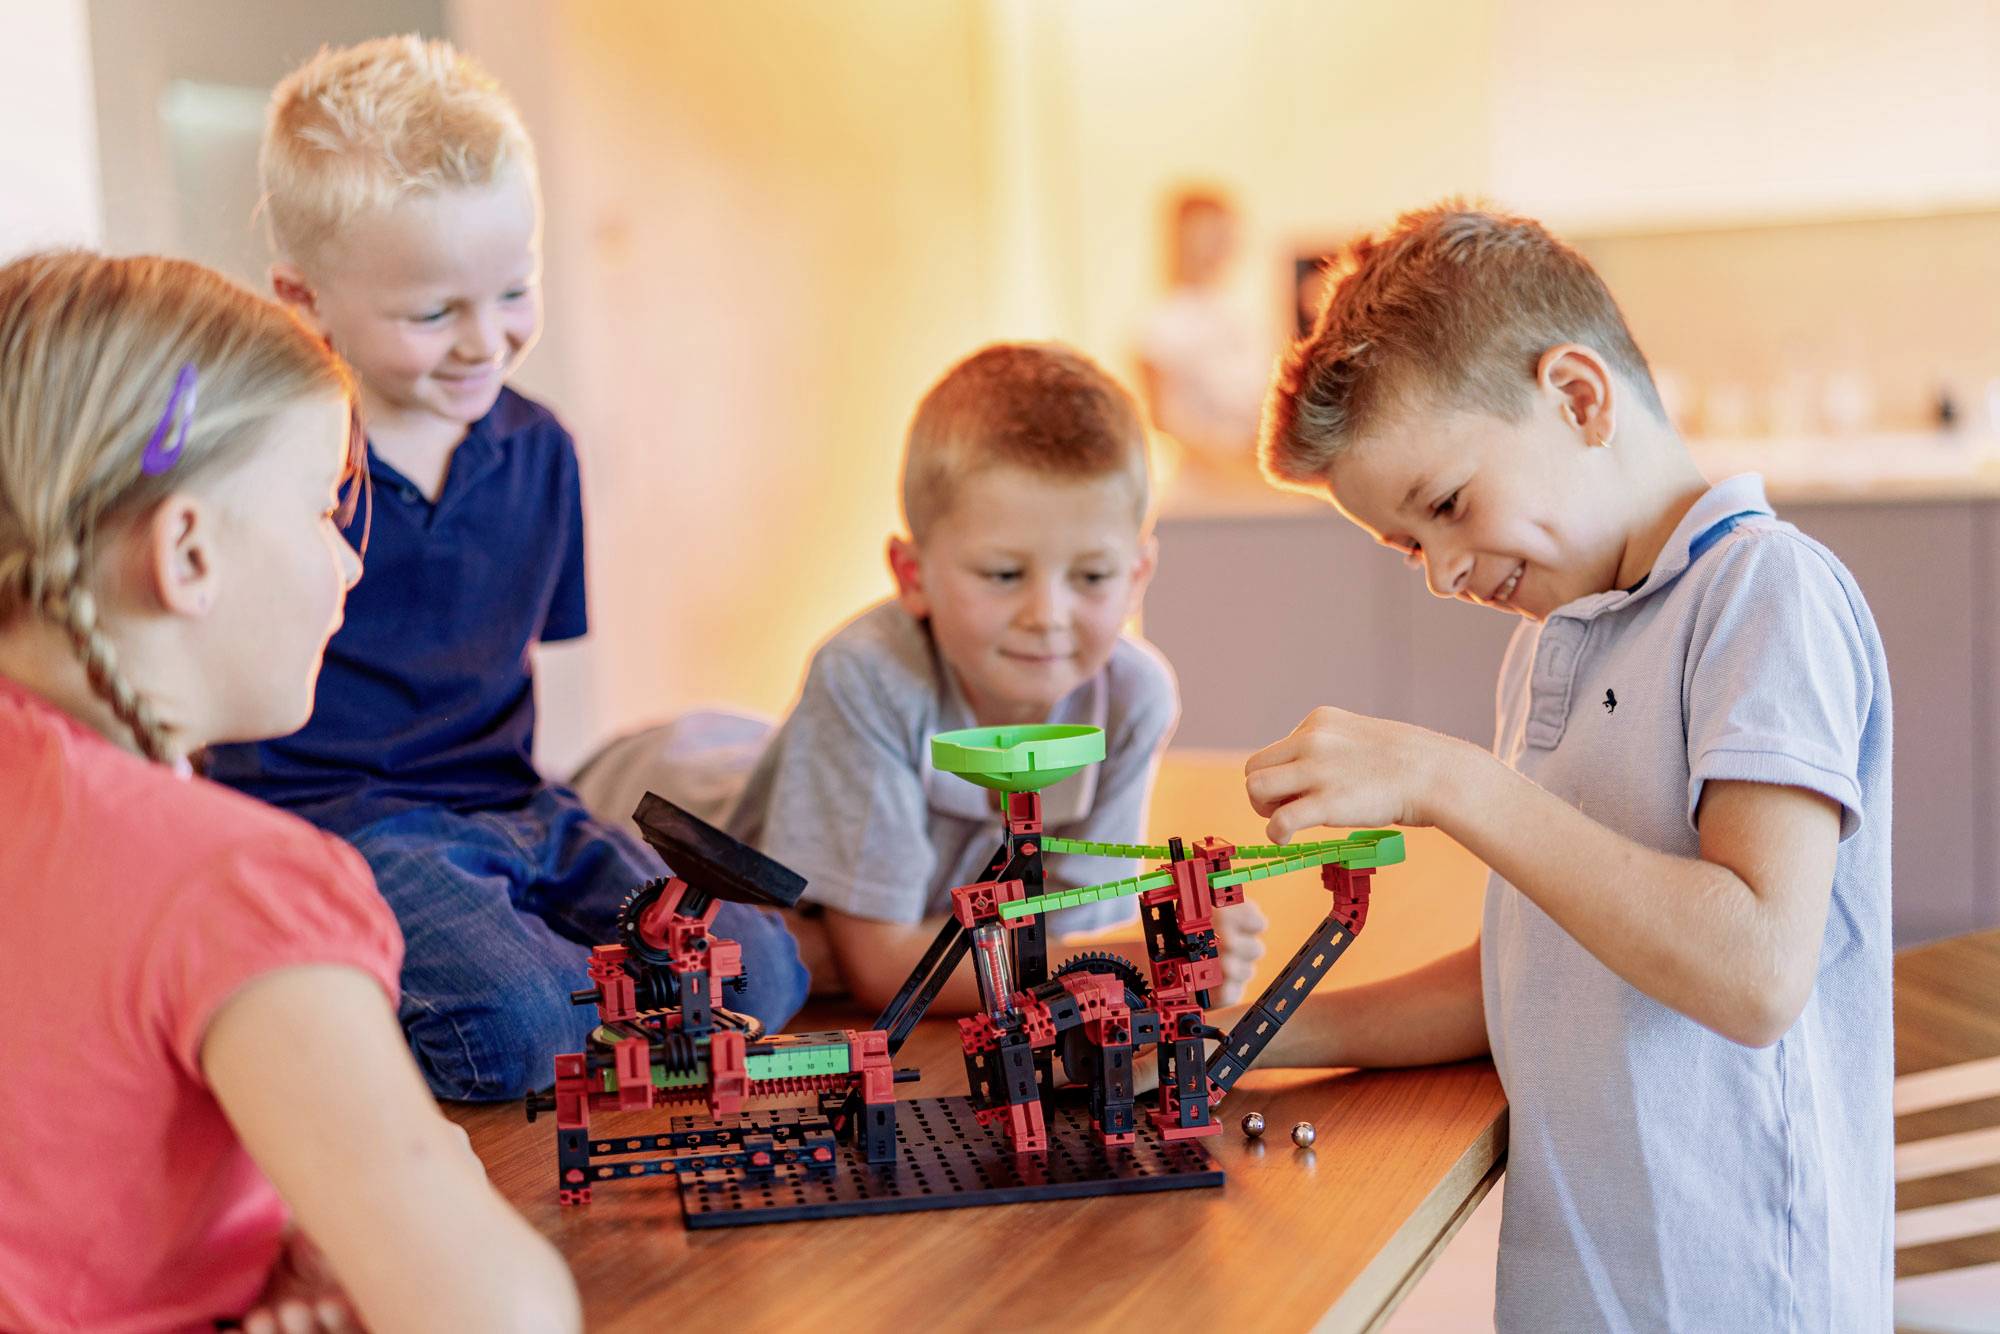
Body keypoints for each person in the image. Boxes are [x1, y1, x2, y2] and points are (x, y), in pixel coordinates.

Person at [1246, 204, 1892, 1329]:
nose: (1443, 570)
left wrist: (1453, 781)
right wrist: (1251, 1033)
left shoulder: (1761, 594)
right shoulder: (1561, 636)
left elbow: (1752, 971)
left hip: (1737, 1297)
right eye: (1409, 545)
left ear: (1578, 398)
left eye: (1445, 505)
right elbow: (1536, 964)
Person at [205, 35, 807, 1100]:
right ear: (303, 297)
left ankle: (569, 999)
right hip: (340, 815)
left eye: (513, 293)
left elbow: (515, 674)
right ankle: (386, 1006)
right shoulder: (274, 468)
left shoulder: (540, 449)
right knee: (519, 1024)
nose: (485, 342)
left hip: (517, 801)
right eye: (433, 312)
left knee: (760, 965)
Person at [0, 249, 578, 1334]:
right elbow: (500, 1315)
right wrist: (425, 1196)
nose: (348, 565)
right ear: (188, 552)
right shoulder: (240, 880)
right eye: (322, 511)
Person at [729, 342, 1267, 1012]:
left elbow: (1063, 939)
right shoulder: (866, 677)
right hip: (682, 778)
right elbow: (883, 972)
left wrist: (1110, 960)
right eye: (1004, 575)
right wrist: (1146, 962)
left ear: (1137, 577)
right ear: (912, 576)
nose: (1047, 616)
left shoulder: (1135, 697)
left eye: (1092, 576)